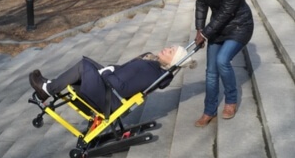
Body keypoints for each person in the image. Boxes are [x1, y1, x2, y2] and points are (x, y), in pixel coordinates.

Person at [29, 45, 192, 112]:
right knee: (89, 63)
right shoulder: (153, 65)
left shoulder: (151, 71)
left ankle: (48, 89)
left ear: (173, 62)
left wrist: (107, 73)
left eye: (170, 52)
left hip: (109, 98)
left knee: (84, 65)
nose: (166, 49)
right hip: (108, 88)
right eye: (169, 47)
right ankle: (49, 87)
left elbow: (123, 89)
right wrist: (111, 69)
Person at [194, 0, 254, 127]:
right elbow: (200, 4)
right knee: (211, 70)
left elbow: (227, 12)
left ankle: (231, 101)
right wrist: (199, 29)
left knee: (222, 60)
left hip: (239, 25)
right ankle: (209, 110)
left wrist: (205, 33)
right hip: (217, 28)